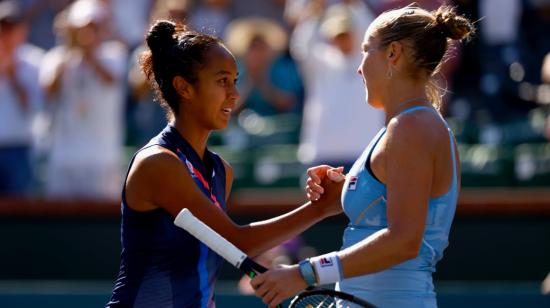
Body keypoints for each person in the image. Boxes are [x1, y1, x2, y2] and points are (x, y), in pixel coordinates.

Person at [106, 20, 343, 307]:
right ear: (184, 87)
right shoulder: (158, 164)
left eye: (235, 81)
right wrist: (321, 208)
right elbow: (238, 242)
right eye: (222, 81)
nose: (234, 94)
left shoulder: (221, 171)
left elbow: (204, 263)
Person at [251, 5, 474, 308]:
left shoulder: (412, 128)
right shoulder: (404, 127)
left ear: (393, 53)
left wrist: (305, 273)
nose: (359, 67)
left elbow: (404, 240)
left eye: (366, 51)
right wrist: (344, 192)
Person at [40, 0, 127, 200]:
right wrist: (69, 49)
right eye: (82, 28)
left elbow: (110, 79)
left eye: (93, 27)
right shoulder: (56, 58)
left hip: (102, 159)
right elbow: (49, 89)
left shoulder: (114, 54)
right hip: (64, 159)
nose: (87, 34)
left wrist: (87, 51)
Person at [0, 0, 44, 196]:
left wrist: (12, 75)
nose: (7, 34)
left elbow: (34, 106)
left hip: (19, 147)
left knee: (18, 212)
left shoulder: (35, 61)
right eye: (3, 27)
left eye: (11, 28)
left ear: (22, 30)